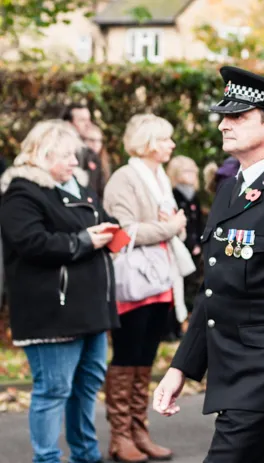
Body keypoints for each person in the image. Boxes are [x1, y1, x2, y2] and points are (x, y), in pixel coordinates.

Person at [153, 66, 264, 463]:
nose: (223, 124)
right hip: (231, 371)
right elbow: (215, 292)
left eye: (237, 116)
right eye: (224, 116)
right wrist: (180, 368)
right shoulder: (230, 191)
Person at [0, 120, 119, 463]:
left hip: (90, 308)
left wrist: (115, 232)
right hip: (51, 311)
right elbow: (31, 243)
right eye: (65, 155)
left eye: (75, 154)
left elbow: (103, 218)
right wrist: (83, 241)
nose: (74, 162)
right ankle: (47, 458)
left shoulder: (78, 187)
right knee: (53, 390)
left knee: (85, 387)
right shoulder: (21, 191)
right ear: (40, 153)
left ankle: (86, 456)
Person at [103, 114, 194, 462]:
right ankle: (120, 436)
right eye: (166, 139)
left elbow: (170, 225)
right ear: (149, 142)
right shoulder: (124, 179)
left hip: (162, 279)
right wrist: (169, 227)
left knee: (145, 358)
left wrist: (171, 227)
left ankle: (139, 431)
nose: (172, 145)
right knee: (127, 356)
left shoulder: (157, 177)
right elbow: (125, 232)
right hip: (134, 282)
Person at [167, 155, 205, 340]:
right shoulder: (173, 195)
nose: (190, 175)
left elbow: (197, 223)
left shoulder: (193, 196)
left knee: (191, 287)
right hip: (179, 248)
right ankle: (171, 328)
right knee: (176, 288)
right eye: (185, 171)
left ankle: (185, 325)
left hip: (194, 248)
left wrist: (199, 242)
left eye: (192, 171)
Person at [62, 103, 108, 198]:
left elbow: (100, 190)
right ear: (69, 123)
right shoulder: (56, 149)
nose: (88, 124)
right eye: (82, 120)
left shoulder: (90, 154)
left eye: (88, 119)